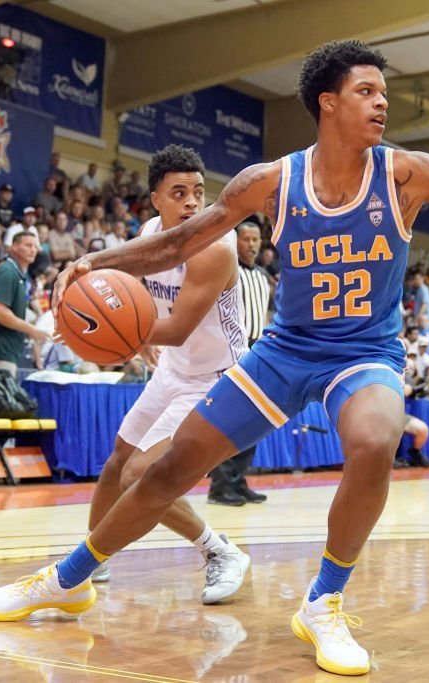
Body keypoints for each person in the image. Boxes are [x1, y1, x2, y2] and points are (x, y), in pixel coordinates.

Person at [0, 40, 429, 677]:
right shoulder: (270, 183)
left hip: (363, 352)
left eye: (384, 95)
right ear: (328, 104)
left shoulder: (407, 173)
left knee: (375, 439)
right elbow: (178, 243)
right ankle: (68, 580)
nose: (381, 104)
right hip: (285, 351)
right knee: (170, 467)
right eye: (367, 93)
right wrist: (96, 259)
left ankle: (324, 601)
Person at [86, 145, 251, 601]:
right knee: (117, 461)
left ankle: (220, 552)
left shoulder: (216, 247)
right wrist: (94, 326)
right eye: (179, 193)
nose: (193, 203)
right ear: (155, 199)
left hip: (215, 379)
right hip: (173, 371)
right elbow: (131, 291)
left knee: (139, 474)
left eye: (198, 192)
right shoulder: (151, 232)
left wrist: (113, 333)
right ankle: (88, 561)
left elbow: (176, 329)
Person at [208, 219, 271, 506]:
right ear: (235, 242)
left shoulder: (261, 275)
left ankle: (238, 480)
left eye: (256, 240)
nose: (252, 244)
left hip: (259, 349)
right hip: (233, 350)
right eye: (246, 239)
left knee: (254, 421)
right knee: (231, 421)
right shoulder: (227, 271)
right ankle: (220, 487)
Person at [0, 232, 50, 375]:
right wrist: (31, 330)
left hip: (7, 351)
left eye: (35, 246)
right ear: (14, 247)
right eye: (28, 245)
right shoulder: (7, 272)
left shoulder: (20, 274)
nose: (33, 250)